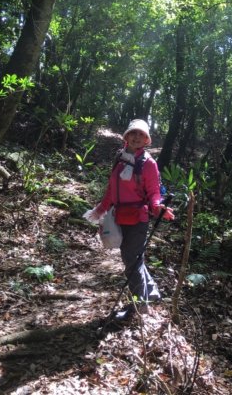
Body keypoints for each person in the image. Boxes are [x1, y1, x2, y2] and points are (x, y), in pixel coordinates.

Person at [84, 119, 174, 318]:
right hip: (119, 216)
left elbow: (153, 192)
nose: (136, 137)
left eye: (141, 135)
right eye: (133, 133)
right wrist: (101, 209)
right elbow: (112, 189)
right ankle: (151, 293)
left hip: (138, 218)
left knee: (130, 260)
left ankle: (139, 306)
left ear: (147, 140)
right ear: (126, 136)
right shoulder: (120, 157)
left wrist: (158, 207)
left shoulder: (148, 164)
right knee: (135, 258)